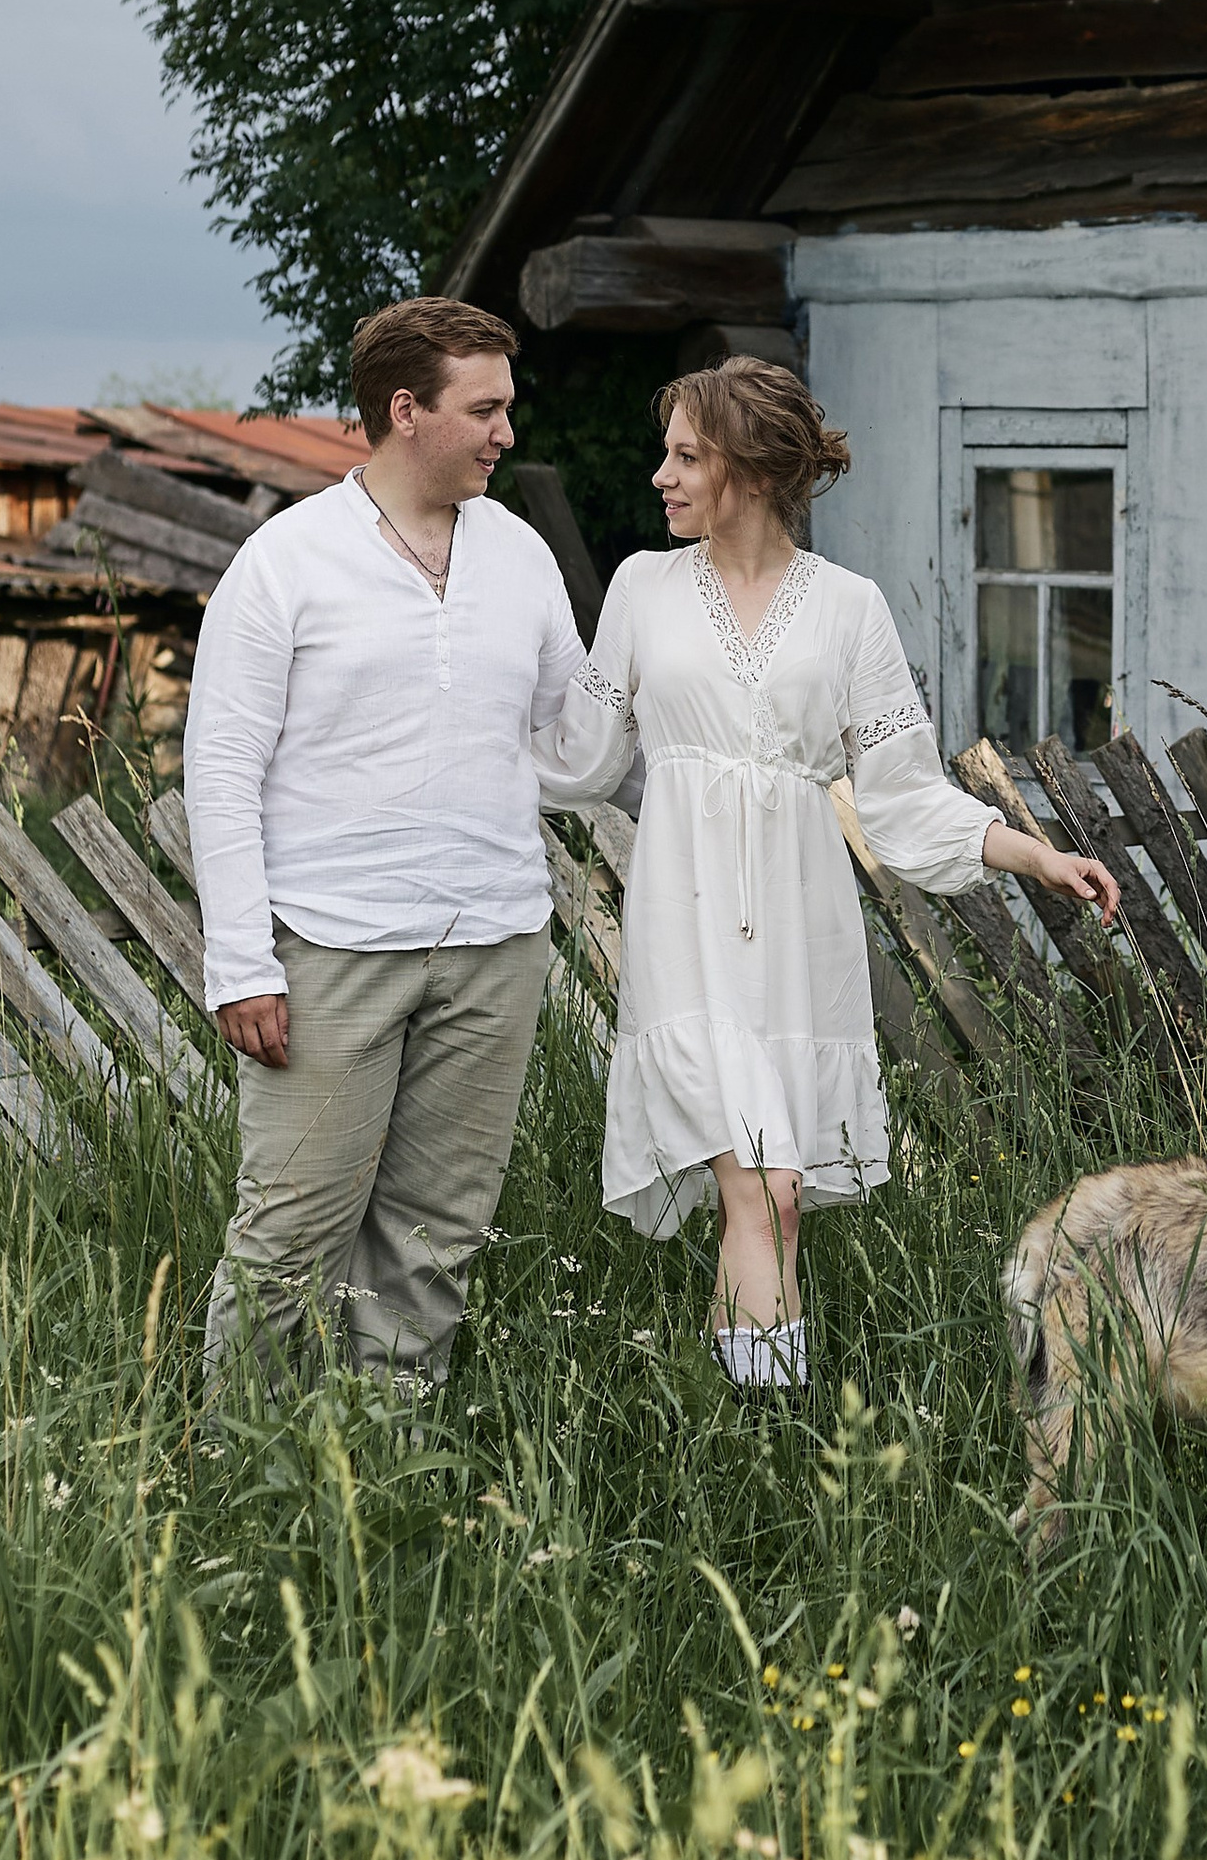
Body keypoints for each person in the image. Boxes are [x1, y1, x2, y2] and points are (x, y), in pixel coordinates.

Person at [535, 357, 1119, 1395]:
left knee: (781, 1196)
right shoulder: (640, 587)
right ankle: (770, 1423)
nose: (660, 477)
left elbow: (900, 796)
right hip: (687, 930)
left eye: (685, 456)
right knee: (758, 1186)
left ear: (751, 469)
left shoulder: (848, 609)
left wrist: (1032, 853)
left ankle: (740, 1423)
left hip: (802, 941)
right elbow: (577, 756)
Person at [188, 296, 586, 1391]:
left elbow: (571, 741)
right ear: (405, 410)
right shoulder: (286, 563)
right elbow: (220, 772)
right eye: (487, 408)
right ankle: (239, 1488)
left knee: (432, 1241)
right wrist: (241, 962)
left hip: (495, 942)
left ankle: (385, 1470)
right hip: (330, 950)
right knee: (287, 1241)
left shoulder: (522, 558)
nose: (507, 432)